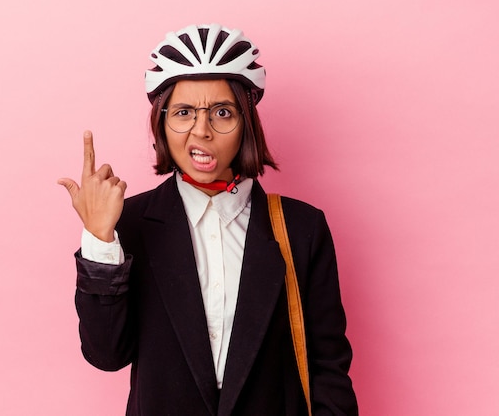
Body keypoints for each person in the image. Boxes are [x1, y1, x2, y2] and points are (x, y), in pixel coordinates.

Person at [58, 23, 358, 416]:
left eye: (221, 112)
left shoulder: (302, 228)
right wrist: (100, 239)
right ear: (162, 123)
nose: (202, 131)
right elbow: (107, 354)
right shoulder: (128, 225)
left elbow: (328, 368)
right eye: (183, 112)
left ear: (246, 122)